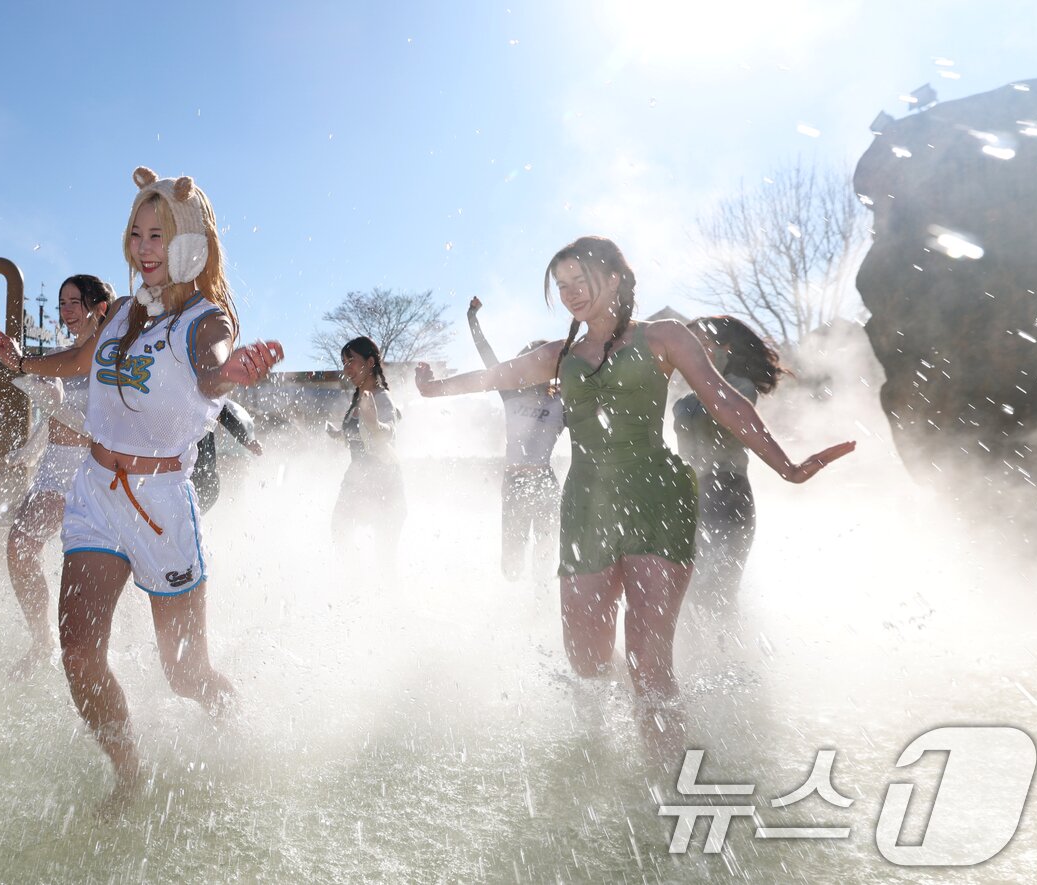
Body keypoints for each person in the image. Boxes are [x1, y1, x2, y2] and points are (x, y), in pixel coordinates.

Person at [414, 236, 853, 757]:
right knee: (586, 660)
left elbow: (725, 400)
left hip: (655, 496)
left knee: (649, 659)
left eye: (580, 280)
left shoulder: (665, 336)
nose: (570, 293)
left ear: (615, 278)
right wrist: (433, 389)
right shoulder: (559, 356)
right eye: (562, 285)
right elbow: (493, 378)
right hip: (586, 504)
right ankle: (606, 754)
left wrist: (787, 466)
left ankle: (668, 777)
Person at [0, 167, 284, 809]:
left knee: (185, 674)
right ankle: (128, 777)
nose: (145, 248)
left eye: (161, 235)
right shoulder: (120, 312)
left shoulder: (206, 319)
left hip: (159, 507)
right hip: (95, 494)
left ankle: (245, 739)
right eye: (138, 234)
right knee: (79, 654)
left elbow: (211, 373)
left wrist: (232, 372)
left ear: (189, 245)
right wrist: (24, 364)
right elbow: (81, 361)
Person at [4, 274, 114, 679]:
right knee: (19, 548)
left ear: (98, 307)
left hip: (89, 473)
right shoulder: (59, 355)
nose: (65, 311)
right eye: (61, 303)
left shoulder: (112, 358)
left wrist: (51, 401)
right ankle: (41, 639)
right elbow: (53, 414)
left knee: (81, 571)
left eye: (73, 302)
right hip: (53, 467)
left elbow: (101, 429)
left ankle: (95, 654)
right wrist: (30, 451)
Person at [673, 315, 785, 622]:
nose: (689, 352)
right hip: (688, 499)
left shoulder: (740, 388)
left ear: (725, 349)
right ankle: (691, 664)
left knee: (716, 591)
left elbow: (723, 414)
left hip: (728, 495)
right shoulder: (684, 399)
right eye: (685, 345)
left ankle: (735, 662)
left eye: (700, 345)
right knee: (685, 591)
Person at [466, 296, 565, 581]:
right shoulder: (510, 391)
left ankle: (539, 606)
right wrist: (472, 318)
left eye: (544, 361)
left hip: (544, 481)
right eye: (530, 360)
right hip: (514, 482)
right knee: (512, 558)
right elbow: (486, 354)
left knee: (545, 551)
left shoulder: (562, 400)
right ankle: (510, 608)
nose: (535, 366)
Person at [327, 336, 405, 556]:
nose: (346, 368)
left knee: (384, 554)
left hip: (384, 482)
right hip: (356, 479)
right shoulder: (358, 399)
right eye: (343, 363)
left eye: (351, 360)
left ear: (370, 363)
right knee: (339, 530)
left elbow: (387, 433)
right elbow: (357, 437)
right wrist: (338, 435)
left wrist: (374, 424)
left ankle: (381, 586)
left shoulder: (382, 398)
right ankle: (355, 580)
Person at [192, 400, 263, 514]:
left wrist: (246, 441)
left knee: (214, 491)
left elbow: (225, 416)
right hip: (190, 467)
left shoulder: (214, 399)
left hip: (206, 466)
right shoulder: (185, 394)